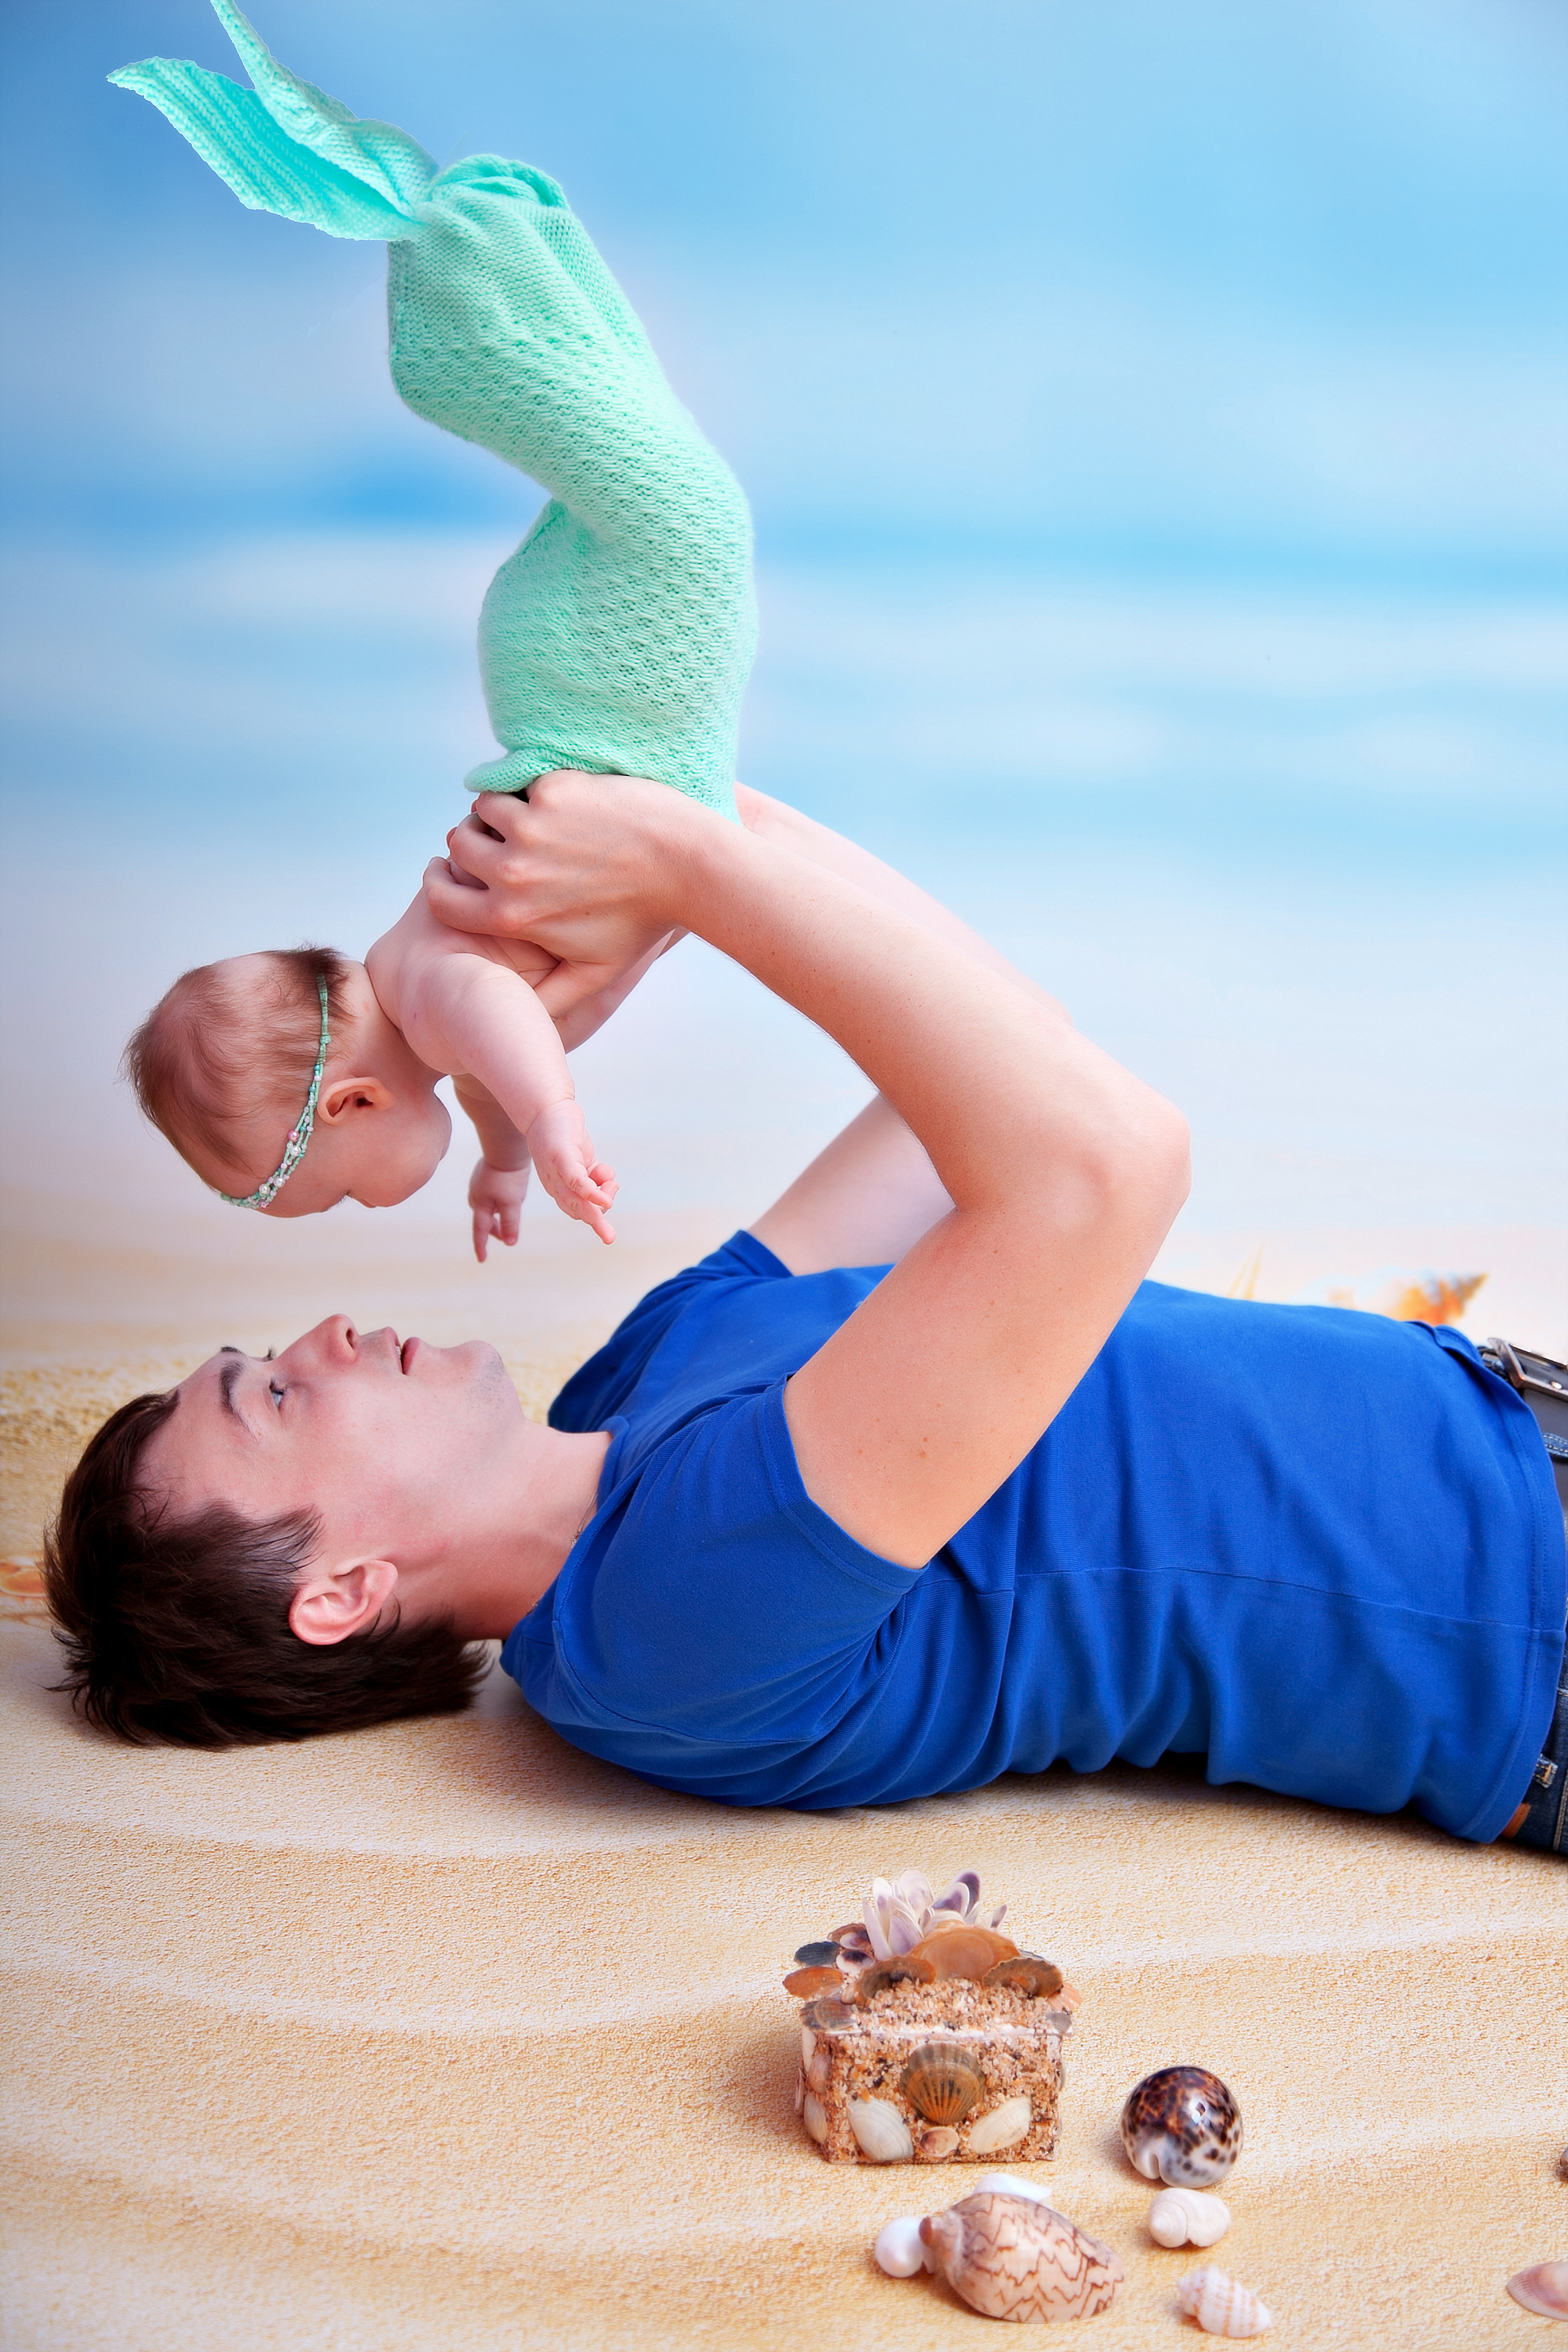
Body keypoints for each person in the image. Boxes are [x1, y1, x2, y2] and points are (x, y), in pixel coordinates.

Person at [45, 774, 1568, 1856]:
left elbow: (994, 1080)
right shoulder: (658, 1621)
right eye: (274, 1399)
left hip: (1511, 1417)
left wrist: (679, 818)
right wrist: (695, 870)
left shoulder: (628, 1385)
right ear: (340, 1592)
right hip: (1533, 1620)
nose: (314, 1338)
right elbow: (1105, 1166)